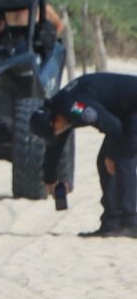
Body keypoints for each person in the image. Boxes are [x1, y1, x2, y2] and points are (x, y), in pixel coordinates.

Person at [32, 72, 137, 238]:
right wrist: (50, 179)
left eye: (55, 130)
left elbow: (114, 127)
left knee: (122, 159)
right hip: (125, 111)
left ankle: (132, 223)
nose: (58, 133)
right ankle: (111, 223)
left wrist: (111, 154)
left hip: (132, 108)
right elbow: (55, 146)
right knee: (105, 162)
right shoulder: (59, 110)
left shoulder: (74, 107)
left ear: (54, 120)